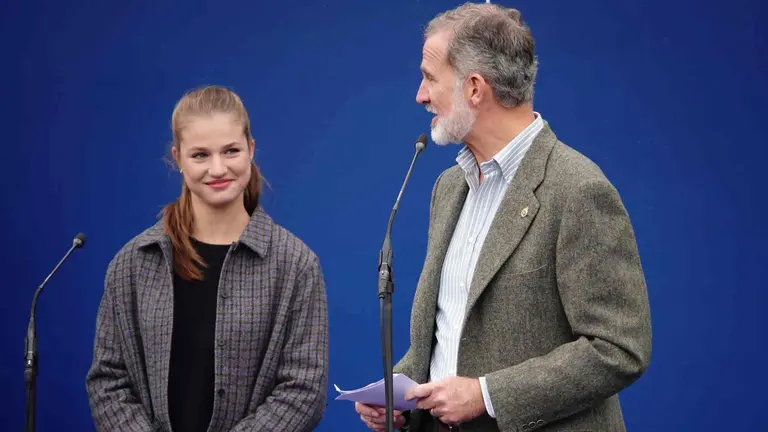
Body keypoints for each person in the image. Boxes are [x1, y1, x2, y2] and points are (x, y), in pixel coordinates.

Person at [356, 3, 651, 432]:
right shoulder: (450, 187)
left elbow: (619, 347)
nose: (420, 95)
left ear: (474, 88)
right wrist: (402, 393)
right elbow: (450, 334)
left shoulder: (578, 190)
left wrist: (488, 394)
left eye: (429, 77)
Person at [85, 85, 329, 432]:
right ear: (177, 158)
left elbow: (303, 391)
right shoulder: (133, 262)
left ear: (251, 150)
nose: (217, 169)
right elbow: (108, 381)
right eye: (200, 155)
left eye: (231, 151)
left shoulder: (295, 265)